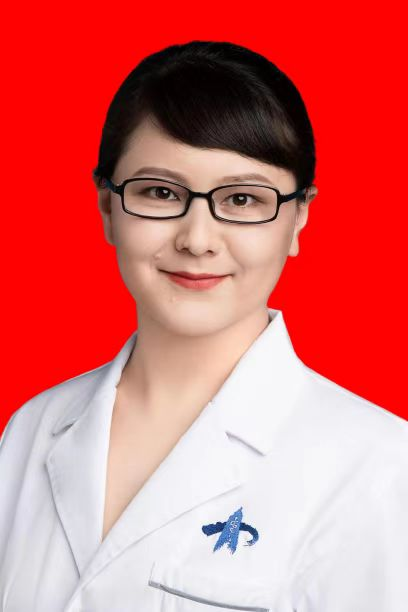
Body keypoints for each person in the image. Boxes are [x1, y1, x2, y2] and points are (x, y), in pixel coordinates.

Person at [1, 40, 407, 612]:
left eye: (241, 199)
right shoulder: (31, 430)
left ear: (299, 217)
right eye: (160, 192)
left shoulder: (380, 468)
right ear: (107, 208)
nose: (196, 239)